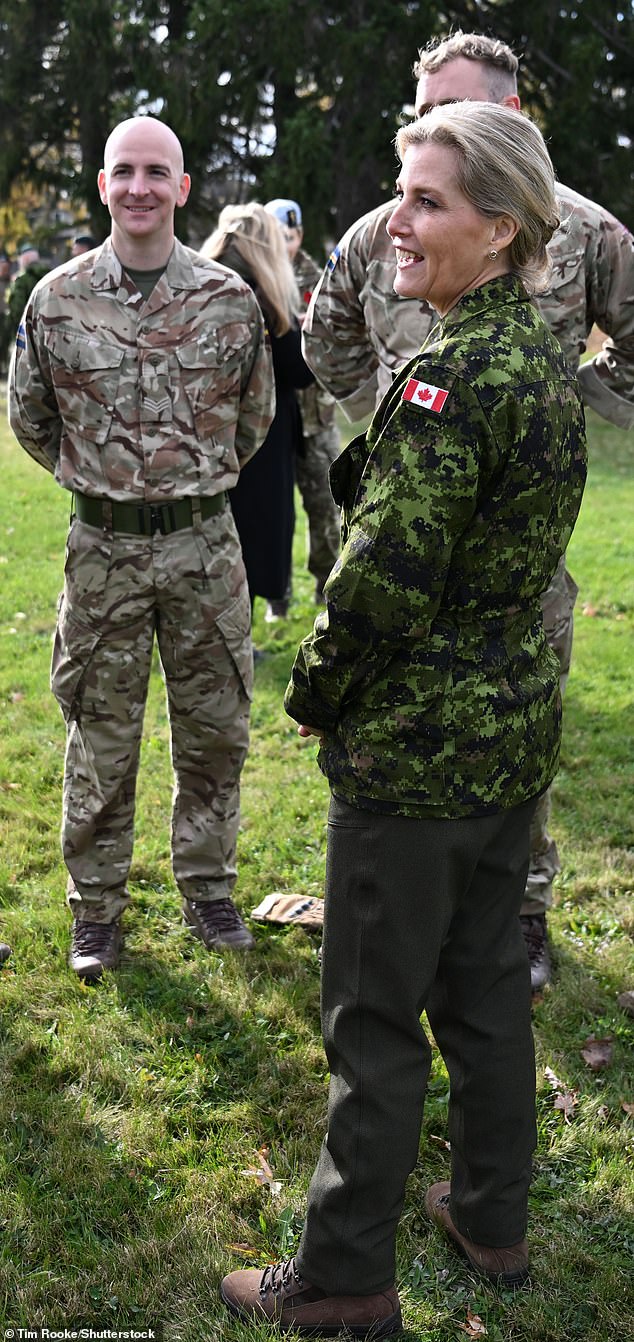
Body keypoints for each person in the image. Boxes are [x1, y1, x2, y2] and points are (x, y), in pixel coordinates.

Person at [220, 101, 587, 1335]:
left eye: (426, 201)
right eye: (398, 192)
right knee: (484, 989)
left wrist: (317, 694)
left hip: (420, 755)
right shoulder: (539, 357)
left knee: (373, 1015)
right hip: (510, 740)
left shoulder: (447, 377)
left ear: (500, 228)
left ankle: (339, 1279)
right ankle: (491, 1215)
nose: (396, 223)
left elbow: (378, 579)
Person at [302, 29, 634, 992]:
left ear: (512, 117)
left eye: (456, 111)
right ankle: (405, 907)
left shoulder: (583, 231)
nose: (431, 133)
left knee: (515, 716)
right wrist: (394, 424)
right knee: (395, 716)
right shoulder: (383, 230)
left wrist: (565, 408)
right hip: (407, 514)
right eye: (422, 116)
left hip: (512, 543)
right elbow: (328, 339)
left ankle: (515, 913)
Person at [8, 117, 274, 980]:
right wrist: (103, 482)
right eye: (123, 171)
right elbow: (31, 416)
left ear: (184, 188)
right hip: (103, 552)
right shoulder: (54, 298)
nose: (139, 188)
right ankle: (97, 910)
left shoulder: (229, 301)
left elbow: (255, 416)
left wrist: (188, 483)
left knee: (215, 730)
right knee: (101, 734)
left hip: (205, 548)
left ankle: (209, 889)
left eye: (157, 172)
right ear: (102, 185)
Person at [201, 204, 313, 628]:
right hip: (256, 443)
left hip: (204, 439)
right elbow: (298, 371)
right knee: (249, 544)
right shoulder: (259, 295)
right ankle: (236, 637)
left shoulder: (201, 285)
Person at [264, 199, 341, 614]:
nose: (287, 245)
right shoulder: (257, 277)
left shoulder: (322, 278)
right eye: (280, 236)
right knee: (273, 512)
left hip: (316, 417)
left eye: (292, 237)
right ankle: (277, 596)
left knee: (326, 508)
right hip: (271, 419)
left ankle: (327, 590)